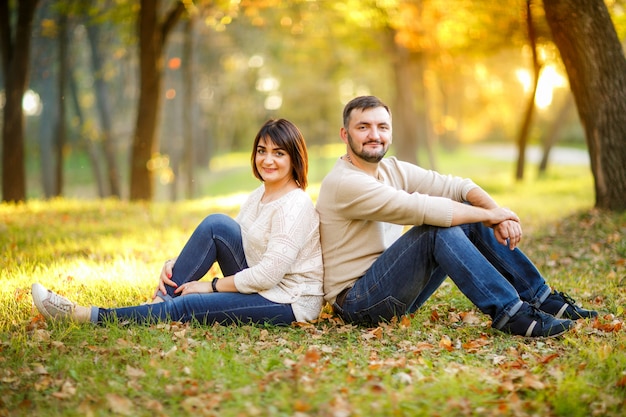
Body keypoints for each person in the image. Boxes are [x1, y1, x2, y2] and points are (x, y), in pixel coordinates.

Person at [316, 95, 597, 338]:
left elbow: (456, 186)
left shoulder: (391, 169)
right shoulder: (345, 183)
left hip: (389, 288)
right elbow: (425, 209)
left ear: (390, 133)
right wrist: (490, 215)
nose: (374, 135)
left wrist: (496, 215)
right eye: (363, 127)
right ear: (345, 134)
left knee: (467, 215)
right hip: (356, 302)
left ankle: (543, 299)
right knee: (438, 228)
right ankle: (511, 314)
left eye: (382, 127)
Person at [32, 118, 324, 326]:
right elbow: (234, 240)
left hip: (288, 300)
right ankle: (158, 304)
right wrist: (178, 262)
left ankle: (87, 315)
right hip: (263, 283)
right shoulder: (260, 194)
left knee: (190, 305)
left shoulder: (295, 204)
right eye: (262, 151)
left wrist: (211, 286)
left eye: (279, 153)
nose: (267, 160)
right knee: (217, 225)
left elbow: (269, 275)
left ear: (294, 158)